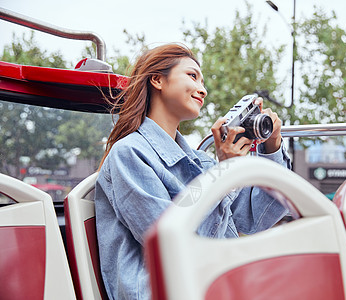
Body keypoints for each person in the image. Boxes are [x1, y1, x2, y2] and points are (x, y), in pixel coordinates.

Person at [94, 43, 291, 299]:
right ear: (157, 80)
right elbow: (172, 248)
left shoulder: (200, 161)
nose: (204, 90)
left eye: (203, 81)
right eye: (192, 76)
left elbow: (254, 219)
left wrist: (271, 147)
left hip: (212, 282)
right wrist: (223, 175)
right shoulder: (129, 154)